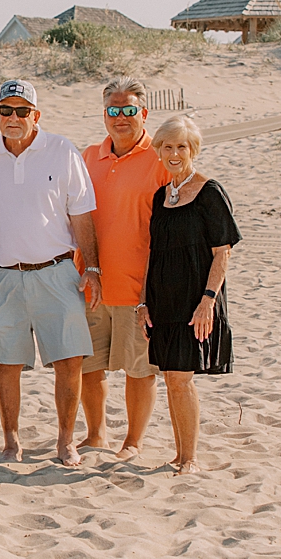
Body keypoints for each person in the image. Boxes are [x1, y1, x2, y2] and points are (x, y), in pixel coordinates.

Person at [0, 79, 102, 465]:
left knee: (69, 358)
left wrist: (91, 267)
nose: (14, 118)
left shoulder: (61, 150)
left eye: (22, 111)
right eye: (6, 110)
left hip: (57, 271)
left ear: (36, 116)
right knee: (6, 363)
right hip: (0, 274)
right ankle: (11, 443)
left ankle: (65, 441)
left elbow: (82, 215)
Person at [137, 116, 240, 474]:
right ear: (159, 151)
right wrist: (143, 301)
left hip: (196, 301)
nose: (174, 153)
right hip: (162, 302)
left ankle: (190, 458)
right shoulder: (160, 195)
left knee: (181, 378)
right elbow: (154, 252)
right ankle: (180, 455)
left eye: (181, 146)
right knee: (170, 377)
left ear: (192, 149)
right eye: (167, 146)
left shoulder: (210, 192)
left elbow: (223, 251)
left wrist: (208, 302)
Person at [78, 78, 168, 457]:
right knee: (88, 365)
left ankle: (133, 441)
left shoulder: (160, 158)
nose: (121, 118)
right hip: (91, 283)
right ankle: (96, 434)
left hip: (140, 286)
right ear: (104, 116)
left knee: (139, 368)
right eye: (113, 111)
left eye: (128, 110)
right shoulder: (87, 157)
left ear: (143, 114)